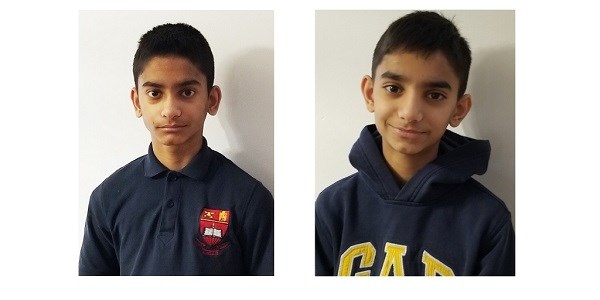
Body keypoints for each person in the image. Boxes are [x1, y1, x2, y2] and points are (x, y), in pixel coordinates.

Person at [315, 11, 515, 276]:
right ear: (370, 93)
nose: (410, 113)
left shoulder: (488, 221)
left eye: (434, 95)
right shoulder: (333, 207)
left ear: (458, 109)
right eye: (394, 88)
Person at [79, 23, 274, 275]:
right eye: (155, 93)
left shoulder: (249, 199)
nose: (170, 110)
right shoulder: (107, 198)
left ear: (211, 100)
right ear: (137, 102)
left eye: (187, 91)